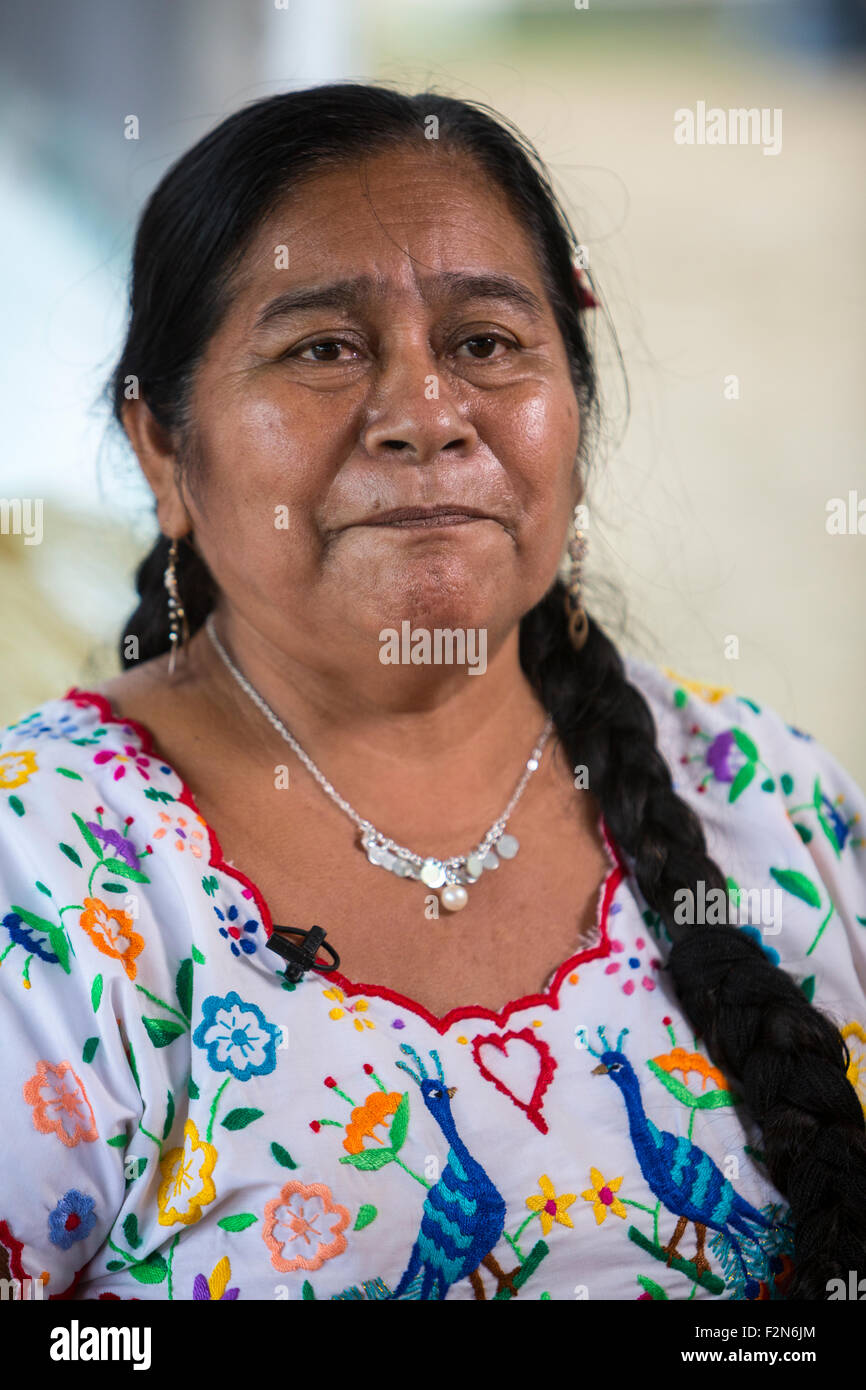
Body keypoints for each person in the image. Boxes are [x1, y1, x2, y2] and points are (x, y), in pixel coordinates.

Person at [1, 84, 864, 1304]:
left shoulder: (773, 804)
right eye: (321, 348)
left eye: (483, 344)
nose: (424, 415)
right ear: (162, 446)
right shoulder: (47, 871)